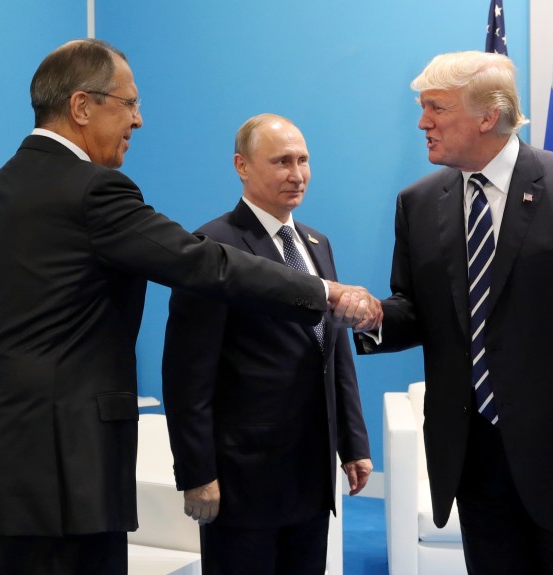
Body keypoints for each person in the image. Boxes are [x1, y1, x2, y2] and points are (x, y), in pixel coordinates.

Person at [0, 39, 378, 575]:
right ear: (82, 107)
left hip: (1, 464)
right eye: (129, 104)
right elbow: (203, 263)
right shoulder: (94, 192)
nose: (139, 119)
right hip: (71, 473)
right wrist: (324, 292)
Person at [356, 51, 553, 574]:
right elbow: (417, 310)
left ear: (486, 115)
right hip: (476, 462)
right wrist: (373, 316)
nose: (422, 122)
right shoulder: (418, 202)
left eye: (436, 108)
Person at [162, 113, 374, 575]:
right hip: (243, 481)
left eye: (303, 160)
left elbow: (332, 351)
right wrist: (197, 473)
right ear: (242, 165)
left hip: (310, 475)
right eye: (281, 161)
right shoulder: (212, 246)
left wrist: (353, 442)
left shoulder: (318, 243)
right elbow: (187, 374)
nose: (297, 175)